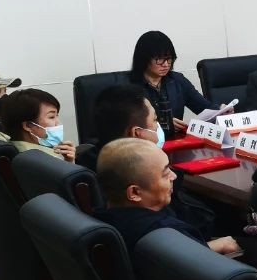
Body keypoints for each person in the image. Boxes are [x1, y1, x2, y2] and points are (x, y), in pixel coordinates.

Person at [79, 84, 219, 239]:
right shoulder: (138, 180)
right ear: (136, 133)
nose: (159, 126)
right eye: (155, 120)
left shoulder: (88, 162)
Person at [94, 138, 238, 257]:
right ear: (135, 193)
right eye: (165, 174)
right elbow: (194, 262)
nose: (174, 176)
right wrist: (216, 246)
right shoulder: (166, 234)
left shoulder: (100, 217)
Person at [129, 30, 215, 135]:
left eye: (169, 59)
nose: (166, 64)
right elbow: (128, 125)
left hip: (176, 140)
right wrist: (163, 125)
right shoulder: (130, 87)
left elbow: (204, 108)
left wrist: (221, 110)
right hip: (146, 143)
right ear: (144, 59)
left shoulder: (177, 80)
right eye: (159, 59)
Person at [1, 88, 76, 162]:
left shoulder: (13, 151)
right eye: (51, 117)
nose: (58, 123)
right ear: (28, 125)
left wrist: (68, 162)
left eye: (57, 116)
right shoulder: (43, 162)